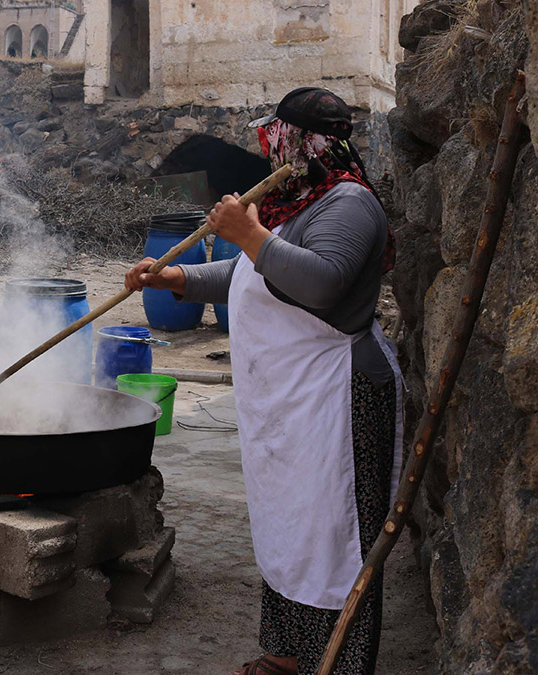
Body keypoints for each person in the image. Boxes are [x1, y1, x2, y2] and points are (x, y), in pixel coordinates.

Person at [125, 88, 402, 675]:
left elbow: (322, 282)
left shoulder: (349, 203)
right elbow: (247, 272)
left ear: (297, 142)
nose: (268, 147)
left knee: (335, 539)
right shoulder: (297, 200)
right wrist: (175, 278)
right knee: (288, 531)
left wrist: (248, 233)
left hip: (337, 398)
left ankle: (336, 664)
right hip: (290, 401)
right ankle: (286, 655)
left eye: (275, 136)